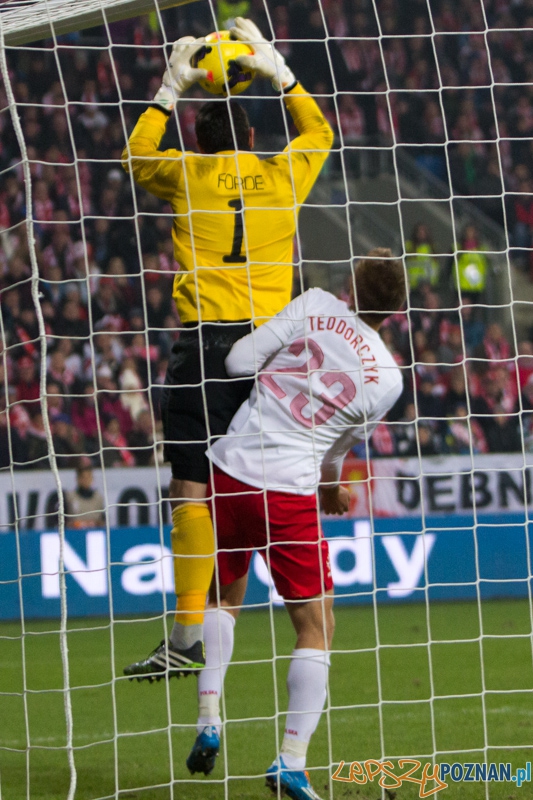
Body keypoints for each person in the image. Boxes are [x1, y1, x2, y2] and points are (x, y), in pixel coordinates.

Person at [122, 18, 333, 678]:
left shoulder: (185, 174)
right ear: (248, 137)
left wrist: (168, 87)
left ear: (200, 141)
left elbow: (134, 157)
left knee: (191, 486)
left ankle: (188, 631)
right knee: (268, 483)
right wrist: (280, 72)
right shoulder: (282, 174)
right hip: (273, 356)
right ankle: (303, 612)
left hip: (206, 351)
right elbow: (320, 134)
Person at [186, 248, 406, 800]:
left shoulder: (314, 303)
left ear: (351, 286)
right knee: (317, 626)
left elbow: (237, 363)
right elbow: (337, 448)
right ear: (399, 310)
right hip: (289, 492)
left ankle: (209, 718)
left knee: (221, 600)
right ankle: (291, 760)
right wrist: (332, 485)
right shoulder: (387, 378)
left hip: (231, 469)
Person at [64, 464, 105, 528]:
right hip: (75, 533)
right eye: (83, 477)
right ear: (78, 479)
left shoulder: (98, 498)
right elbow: (65, 521)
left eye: (89, 477)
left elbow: (103, 521)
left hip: (94, 533)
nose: (86, 480)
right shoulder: (70, 497)